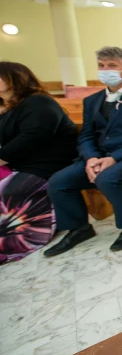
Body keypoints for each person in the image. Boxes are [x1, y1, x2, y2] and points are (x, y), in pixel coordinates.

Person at [45, 47, 122, 256]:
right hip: (99, 157)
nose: (105, 70)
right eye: (101, 66)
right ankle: (79, 228)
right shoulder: (92, 101)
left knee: (109, 179)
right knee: (59, 182)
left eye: (112, 65)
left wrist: (115, 158)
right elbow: (86, 135)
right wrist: (91, 157)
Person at [0, 63, 78, 263]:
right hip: (19, 164)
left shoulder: (39, 103)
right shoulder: (8, 107)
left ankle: (12, 244)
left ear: (15, 79)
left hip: (47, 164)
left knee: (6, 194)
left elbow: (32, 138)